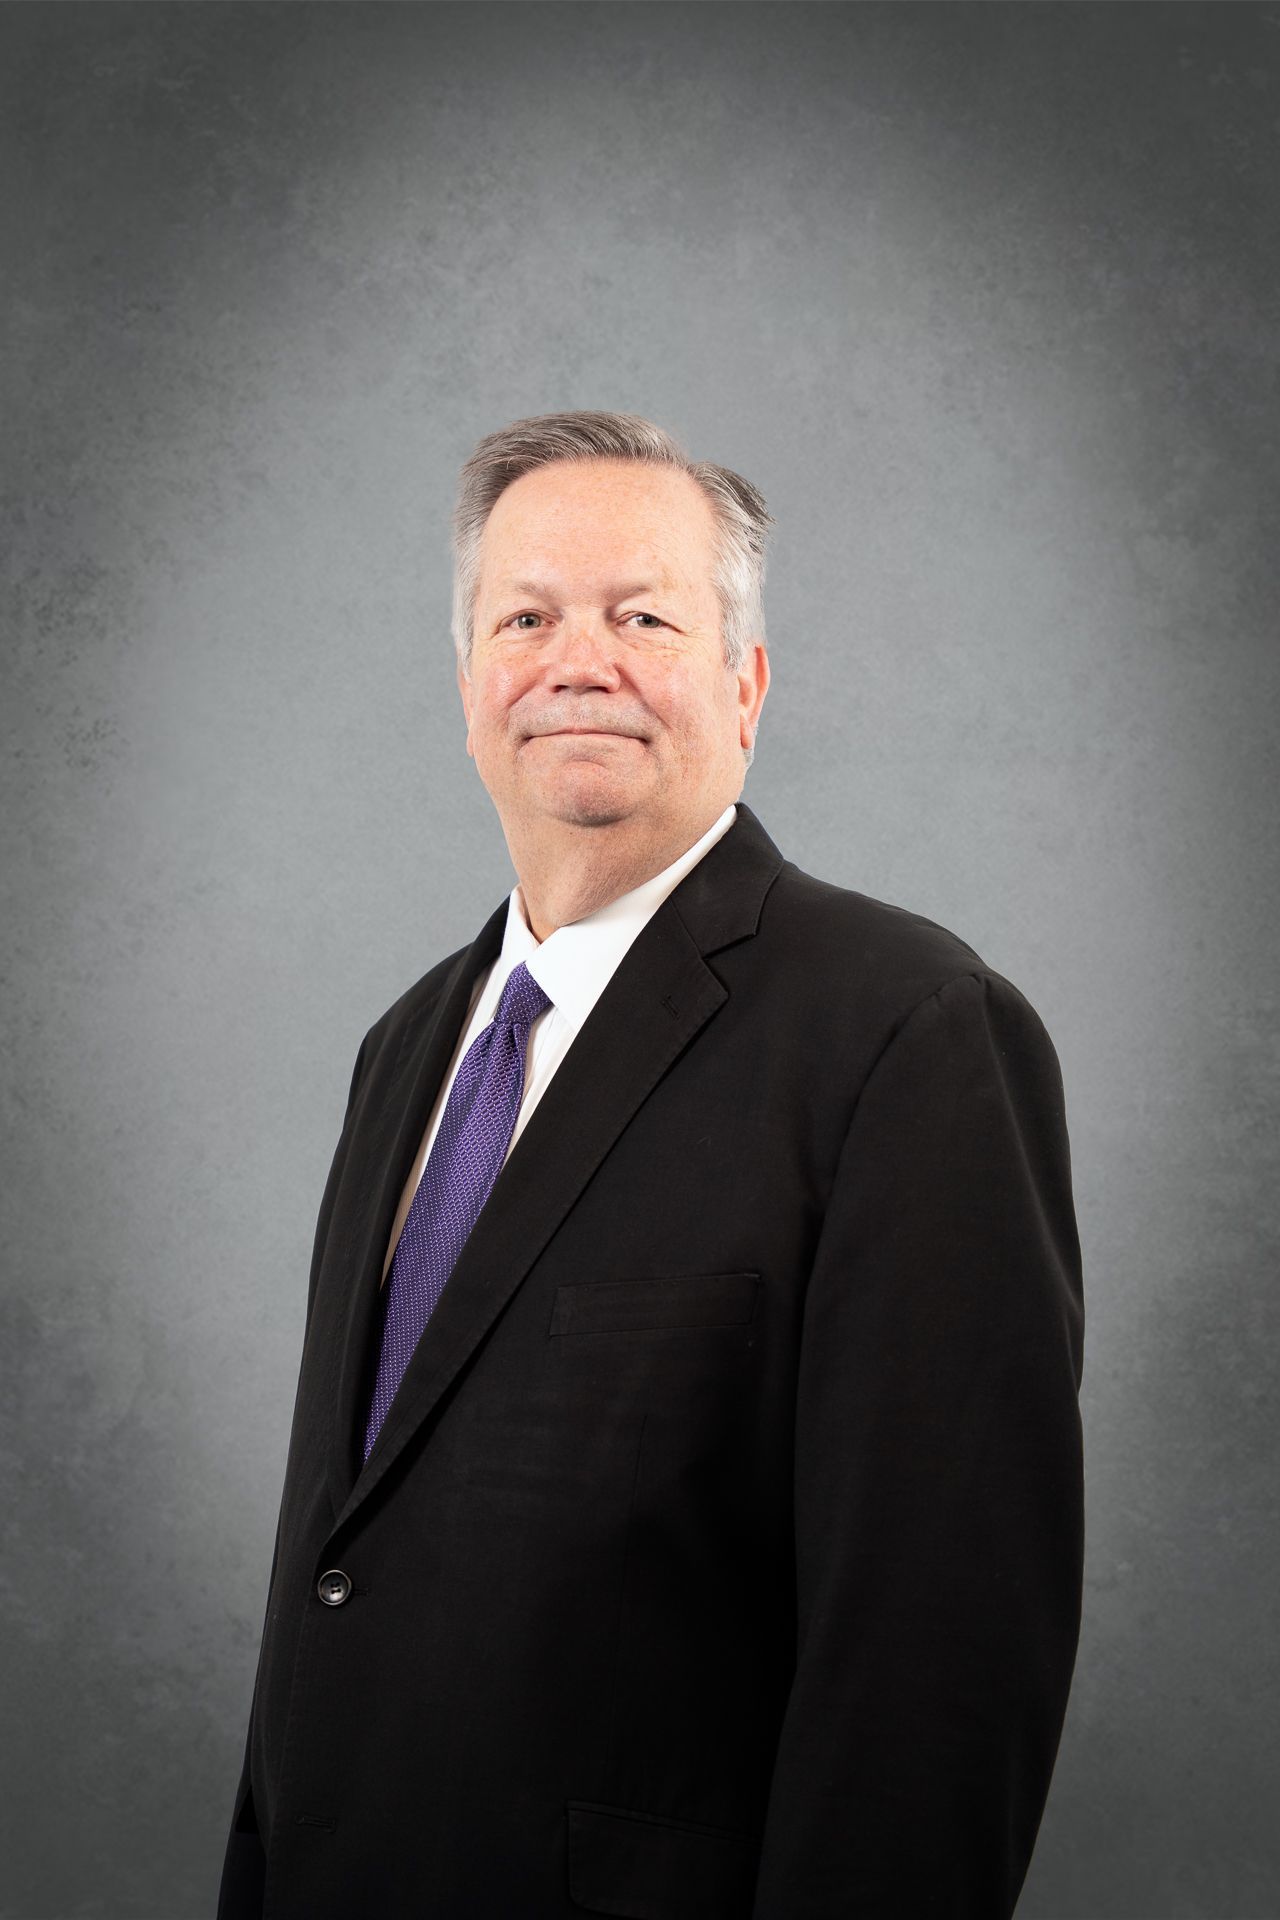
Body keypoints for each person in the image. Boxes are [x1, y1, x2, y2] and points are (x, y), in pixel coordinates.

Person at [217, 410, 1085, 1920]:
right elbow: (335, 1577)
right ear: (469, 689)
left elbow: (940, 1660)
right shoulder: (406, 1046)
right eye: (526, 619)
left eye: (643, 618)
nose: (579, 661)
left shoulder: (910, 1031)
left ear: (745, 686)